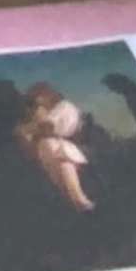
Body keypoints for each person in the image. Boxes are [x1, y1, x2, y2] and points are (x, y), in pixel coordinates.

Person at [19, 83, 97, 212]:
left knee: (59, 152)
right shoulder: (42, 113)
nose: (38, 103)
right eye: (34, 101)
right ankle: (72, 200)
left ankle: (79, 199)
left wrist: (30, 130)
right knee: (50, 151)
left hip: (64, 145)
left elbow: (48, 126)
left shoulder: (64, 107)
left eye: (39, 98)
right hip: (48, 148)